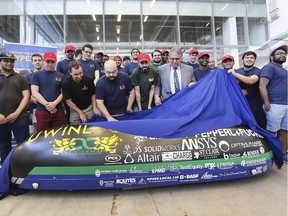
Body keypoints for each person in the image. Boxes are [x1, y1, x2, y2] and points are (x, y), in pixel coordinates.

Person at [0, 52, 30, 164]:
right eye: (5, 61)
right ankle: (5, 169)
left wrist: (16, 113)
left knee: (24, 144)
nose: (9, 63)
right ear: (0, 62)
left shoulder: (21, 78)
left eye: (11, 61)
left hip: (20, 117)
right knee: (4, 145)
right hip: (1, 118)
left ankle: (24, 167)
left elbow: (26, 96)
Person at [259, 45, 288, 162]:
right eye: (279, 53)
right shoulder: (269, 67)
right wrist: (267, 103)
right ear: (272, 57)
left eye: (284, 54)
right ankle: (269, 155)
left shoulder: (284, 70)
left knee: (284, 130)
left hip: (285, 105)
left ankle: (282, 154)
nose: (282, 55)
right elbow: (262, 86)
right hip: (274, 105)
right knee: (272, 132)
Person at [228, 51, 266, 129]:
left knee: (258, 126)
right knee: (242, 127)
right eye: (247, 57)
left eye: (252, 58)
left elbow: (251, 81)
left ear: (255, 60)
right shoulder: (238, 70)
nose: (249, 59)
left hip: (255, 104)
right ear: (243, 60)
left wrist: (235, 74)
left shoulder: (257, 71)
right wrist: (238, 91)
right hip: (240, 104)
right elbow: (230, 86)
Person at [31, 51, 65, 132]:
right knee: (42, 136)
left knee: (58, 135)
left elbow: (63, 93)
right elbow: (34, 92)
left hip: (58, 110)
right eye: (47, 61)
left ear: (55, 62)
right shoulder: (37, 75)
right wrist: (48, 105)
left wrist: (54, 104)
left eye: (52, 62)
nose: (50, 64)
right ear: (43, 61)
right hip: (42, 110)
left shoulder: (61, 76)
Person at [26, 53, 44, 131]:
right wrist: (43, 103)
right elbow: (28, 96)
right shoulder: (28, 77)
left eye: (39, 60)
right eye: (35, 60)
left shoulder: (48, 75)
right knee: (37, 134)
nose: (37, 62)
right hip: (35, 109)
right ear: (32, 62)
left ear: (42, 61)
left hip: (49, 108)